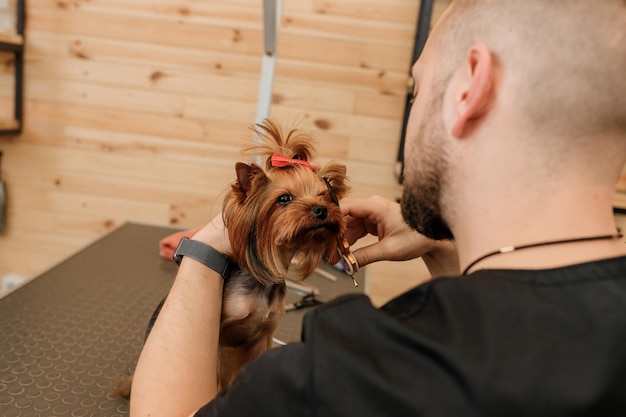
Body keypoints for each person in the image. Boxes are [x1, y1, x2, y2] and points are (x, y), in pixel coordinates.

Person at [130, 0, 626, 415]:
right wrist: (446, 250)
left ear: (469, 88)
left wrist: (205, 249)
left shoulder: (353, 373)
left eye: (417, 88)